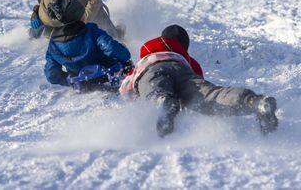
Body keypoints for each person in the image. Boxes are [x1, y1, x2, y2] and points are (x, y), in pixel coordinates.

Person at [119, 24, 279, 138]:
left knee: (154, 90)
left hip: (151, 72)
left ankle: (162, 101)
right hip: (182, 72)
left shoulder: (146, 57)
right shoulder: (187, 60)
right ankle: (255, 102)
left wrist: (129, 97)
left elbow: (128, 85)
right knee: (211, 95)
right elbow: (199, 83)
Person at [43, 0, 132, 86]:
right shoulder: (91, 30)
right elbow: (111, 48)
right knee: (124, 57)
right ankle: (132, 79)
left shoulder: (54, 44)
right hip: (107, 74)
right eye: (82, 13)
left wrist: (69, 80)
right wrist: (126, 55)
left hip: (82, 82)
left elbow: (51, 74)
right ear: (77, 16)